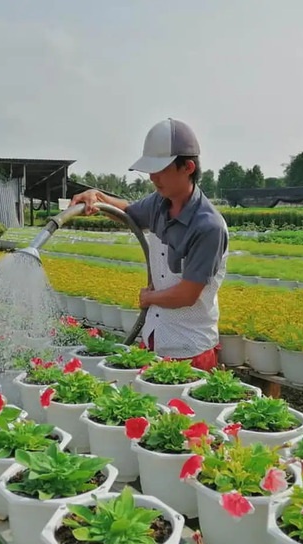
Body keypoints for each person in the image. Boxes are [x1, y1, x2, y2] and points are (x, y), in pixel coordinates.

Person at [71, 118, 227, 371]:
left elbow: (187, 295)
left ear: (187, 167)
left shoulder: (208, 226)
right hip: (155, 339)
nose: (153, 177)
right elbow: (127, 212)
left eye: (161, 169)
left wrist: (149, 297)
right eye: (151, 170)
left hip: (189, 351)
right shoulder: (159, 203)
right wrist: (96, 197)